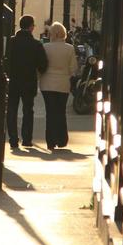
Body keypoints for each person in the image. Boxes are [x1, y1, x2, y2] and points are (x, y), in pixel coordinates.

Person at [6, 14, 47, 149]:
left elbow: (5, 61)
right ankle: (27, 139)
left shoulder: (11, 42)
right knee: (28, 110)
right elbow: (43, 65)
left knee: (12, 109)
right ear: (31, 27)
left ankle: (13, 139)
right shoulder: (36, 44)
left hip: (13, 81)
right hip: (29, 81)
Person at [40, 21, 78, 151]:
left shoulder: (46, 47)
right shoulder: (70, 48)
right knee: (60, 111)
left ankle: (50, 140)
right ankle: (61, 139)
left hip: (47, 83)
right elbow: (73, 68)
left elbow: (41, 65)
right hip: (63, 83)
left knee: (50, 112)